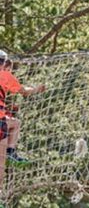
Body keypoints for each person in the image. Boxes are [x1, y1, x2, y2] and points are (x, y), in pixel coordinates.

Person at [0, 50, 45, 190]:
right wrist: (37, 89)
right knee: (0, 163)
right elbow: (24, 91)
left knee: (13, 123)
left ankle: (10, 153)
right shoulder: (4, 75)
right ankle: (11, 152)